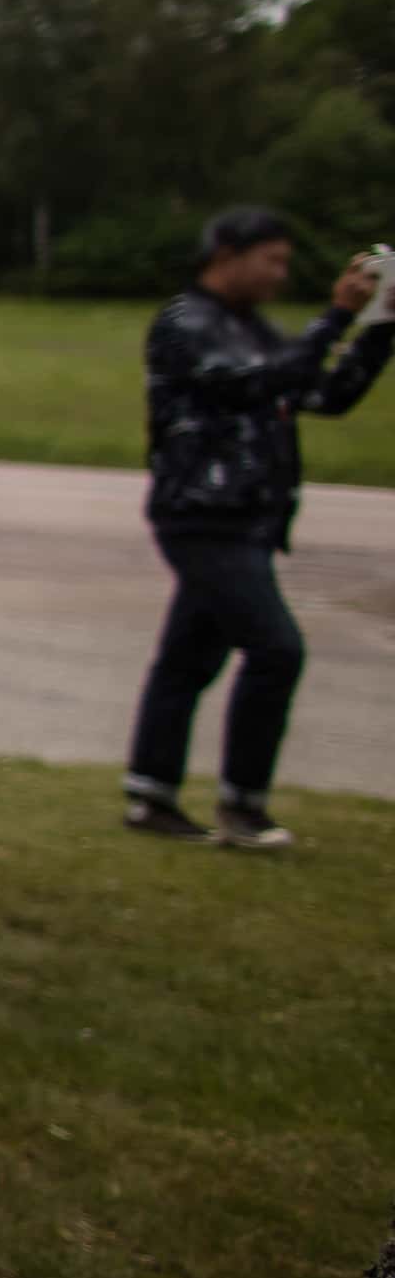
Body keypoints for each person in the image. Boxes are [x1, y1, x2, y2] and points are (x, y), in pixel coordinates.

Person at [119, 214, 389, 849]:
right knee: (276, 650)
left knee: (189, 658)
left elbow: (323, 394)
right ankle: (244, 808)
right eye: (270, 260)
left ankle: (150, 795)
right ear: (227, 254)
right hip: (203, 514)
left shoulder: (252, 328)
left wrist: (381, 325)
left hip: (249, 517)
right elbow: (252, 381)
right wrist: (335, 317)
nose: (280, 274)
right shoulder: (186, 322)